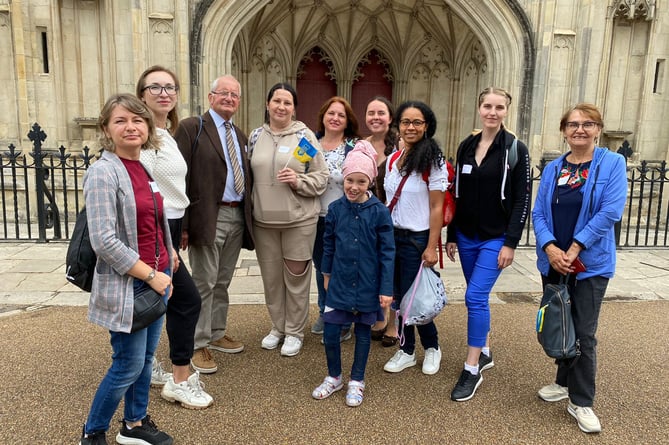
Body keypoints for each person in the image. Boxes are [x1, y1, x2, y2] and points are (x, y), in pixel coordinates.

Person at [79, 94, 175, 445]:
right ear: (106, 128)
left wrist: (170, 256)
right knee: (127, 365)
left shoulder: (143, 167)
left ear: (148, 127)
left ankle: (134, 425)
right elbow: (103, 240)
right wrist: (151, 275)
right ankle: (93, 433)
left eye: (138, 120)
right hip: (130, 284)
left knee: (146, 361)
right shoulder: (103, 172)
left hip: (157, 277)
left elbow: (153, 218)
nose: (131, 127)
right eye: (121, 121)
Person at [532, 103, 627, 433]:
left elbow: (610, 212)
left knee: (584, 332)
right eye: (573, 124)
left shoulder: (612, 163)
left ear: (598, 129)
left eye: (588, 124)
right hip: (554, 260)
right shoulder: (554, 168)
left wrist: (573, 248)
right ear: (564, 130)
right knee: (560, 321)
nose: (580, 130)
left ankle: (581, 401)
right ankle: (562, 382)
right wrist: (550, 247)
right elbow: (539, 214)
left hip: (589, 263)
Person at [445, 87, 530, 402]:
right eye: (487, 106)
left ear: (506, 110)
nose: (492, 112)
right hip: (466, 234)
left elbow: (522, 200)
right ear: (479, 108)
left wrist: (510, 243)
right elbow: (456, 193)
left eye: (499, 107)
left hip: (495, 237)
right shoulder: (467, 145)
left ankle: (471, 368)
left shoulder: (515, 149)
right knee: (476, 295)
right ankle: (485, 350)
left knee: (474, 296)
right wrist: (452, 235)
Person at [136, 66, 213, 409]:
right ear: (141, 95)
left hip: (169, 227)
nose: (164, 93)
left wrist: (178, 230)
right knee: (186, 300)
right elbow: (147, 193)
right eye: (155, 87)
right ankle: (179, 379)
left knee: (159, 302)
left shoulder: (167, 132)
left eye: (170, 87)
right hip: (153, 232)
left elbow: (173, 188)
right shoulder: (141, 134)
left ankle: (146, 364)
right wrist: (166, 243)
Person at [174, 74, 254, 374]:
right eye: (223, 93)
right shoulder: (192, 128)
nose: (229, 99)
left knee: (222, 280)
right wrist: (183, 224)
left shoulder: (240, 135)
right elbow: (177, 176)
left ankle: (217, 332)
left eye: (235, 95)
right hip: (208, 215)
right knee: (204, 281)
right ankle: (198, 342)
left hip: (236, 215)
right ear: (210, 97)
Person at [312, 140, 395, 407]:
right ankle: (334, 376)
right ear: (343, 179)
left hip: (369, 284)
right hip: (340, 281)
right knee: (332, 330)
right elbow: (328, 243)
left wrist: (386, 288)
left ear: (370, 182)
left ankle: (357, 379)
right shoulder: (335, 209)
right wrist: (326, 273)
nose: (354, 187)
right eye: (350, 180)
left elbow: (387, 252)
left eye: (361, 181)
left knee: (362, 331)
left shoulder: (380, 212)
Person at [249, 82, 329, 357]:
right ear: (268, 104)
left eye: (287, 102)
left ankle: (294, 331)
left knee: (296, 279)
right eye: (277, 101)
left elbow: (321, 178)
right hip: (264, 222)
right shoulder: (255, 136)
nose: (281, 106)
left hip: (298, 221)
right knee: (272, 280)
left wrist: (298, 180)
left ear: (294, 108)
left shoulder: (304, 138)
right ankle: (278, 327)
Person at [382, 101, 447, 376]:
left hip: (416, 239)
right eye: (406, 121)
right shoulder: (392, 160)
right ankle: (407, 350)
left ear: (427, 126)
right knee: (398, 297)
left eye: (417, 122)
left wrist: (432, 246)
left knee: (414, 299)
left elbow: (436, 207)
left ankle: (432, 347)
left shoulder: (433, 162)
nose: (410, 127)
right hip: (392, 237)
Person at [310, 96, 361, 340]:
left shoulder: (353, 148)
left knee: (341, 270)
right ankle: (324, 310)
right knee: (322, 268)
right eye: (331, 113)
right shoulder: (310, 144)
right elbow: (298, 170)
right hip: (314, 218)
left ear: (347, 121)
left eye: (341, 115)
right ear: (323, 116)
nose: (335, 118)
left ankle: (343, 318)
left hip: (343, 219)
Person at [364, 96, 400, 345]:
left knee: (394, 270)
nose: (375, 117)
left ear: (390, 117)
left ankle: (395, 323)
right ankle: (380, 314)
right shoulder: (361, 145)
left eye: (381, 113)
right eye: (370, 112)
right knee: (375, 269)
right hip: (369, 219)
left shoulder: (400, 144)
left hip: (396, 218)